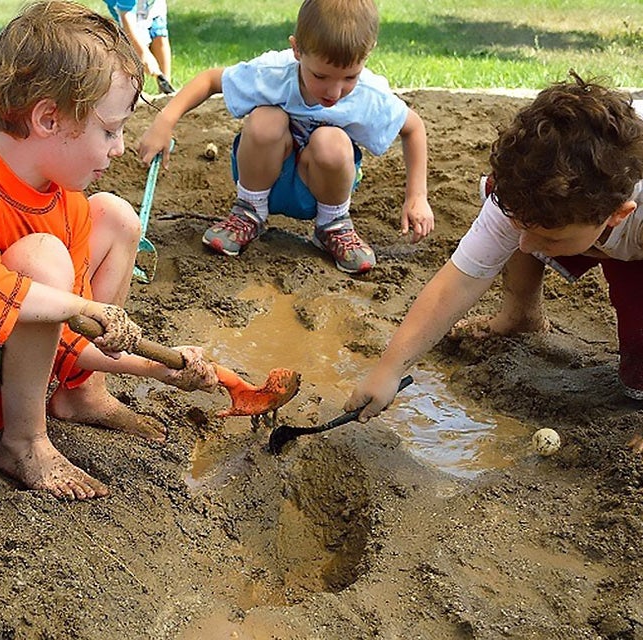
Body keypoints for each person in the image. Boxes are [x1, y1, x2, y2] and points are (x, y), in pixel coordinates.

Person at [0, 1, 217, 501]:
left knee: (116, 216)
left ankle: (80, 393)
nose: (119, 147)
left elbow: (66, 337)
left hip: (21, 374)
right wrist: (82, 306)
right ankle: (24, 441)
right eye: (109, 130)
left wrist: (159, 368)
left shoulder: (66, 200)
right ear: (48, 118)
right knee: (44, 257)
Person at [345, 73, 643, 453]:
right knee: (512, 215)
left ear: (618, 214)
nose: (525, 245)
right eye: (520, 226)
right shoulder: (526, 193)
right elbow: (460, 281)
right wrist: (388, 370)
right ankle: (520, 317)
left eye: (548, 238)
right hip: (588, 224)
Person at [137, 0, 433, 275]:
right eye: (320, 76)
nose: (334, 92)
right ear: (297, 50)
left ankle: (333, 225)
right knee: (266, 119)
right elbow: (211, 79)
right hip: (264, 176)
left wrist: (417, 197)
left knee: (331, 140)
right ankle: (248, 213)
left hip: (321, 188)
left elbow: (413, 128)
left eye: (349, 77)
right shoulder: (274, 72)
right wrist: (165, 122)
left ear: (367, 56)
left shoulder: (369, 94)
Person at [103, 0, 174, 94]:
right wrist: (143, 53)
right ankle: (131, 92)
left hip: (150, 3)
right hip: (125, 8)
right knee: (135, 46)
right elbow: (127, 19)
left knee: (159, 33)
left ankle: (166, 90)